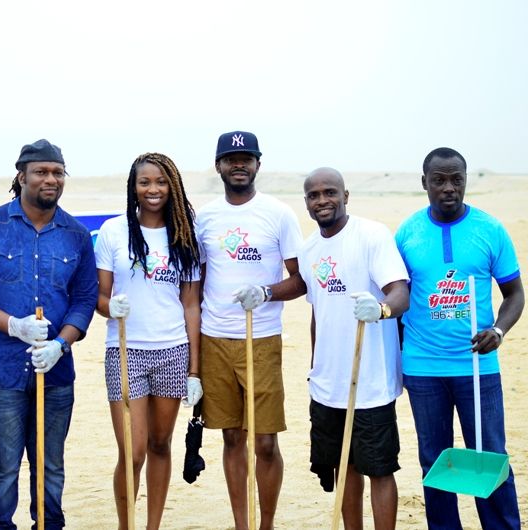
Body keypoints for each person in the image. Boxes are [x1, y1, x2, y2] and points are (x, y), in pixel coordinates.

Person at [0, 139, 97, 530]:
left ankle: (48, 524)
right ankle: (0, 525)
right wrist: (12, 325)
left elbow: (84, 300)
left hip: (56, 374)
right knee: (2, 465)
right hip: (2, 372)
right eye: (41, 172)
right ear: (21, 176)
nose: (50, 179)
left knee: (50, 464)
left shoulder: (76, 235)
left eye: (57, 172)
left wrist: (60, 343)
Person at [395, 147, 524, 529]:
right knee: (435, 459)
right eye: (439, 180)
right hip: (423, 369)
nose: (448, 188)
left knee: (489, 456)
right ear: (425, 184)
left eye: (456, 180)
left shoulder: (490, 229)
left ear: (465, 181)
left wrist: (498, 331)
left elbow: (515, 294)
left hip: (477, 366)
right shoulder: (407, 233)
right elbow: (397, 296)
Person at [196, 131, 302, 530]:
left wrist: (265, 291)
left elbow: (300, 279)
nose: (238, 164)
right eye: (230, 158)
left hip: (261, 340)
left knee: (266, 442)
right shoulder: (204, 216)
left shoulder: (278, 214)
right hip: (215, 338)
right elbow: (197, 280)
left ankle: (267, 523)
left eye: (246, 158)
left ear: (259, 163)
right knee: (230, 438)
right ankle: (243, 523)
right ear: (218, 165)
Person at [93, 152, 202, 530]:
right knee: (133, 449)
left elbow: (191, 304)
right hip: (125, 351)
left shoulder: (185, 234)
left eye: (160, 182)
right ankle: (127, 525)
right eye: (144, 182)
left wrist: (194, 370)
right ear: (133, 187)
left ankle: (152, 526)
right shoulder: (113, 231)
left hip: (173, 350)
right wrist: (112, 308)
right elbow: (99, 297)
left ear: (172, 186)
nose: (152, 189)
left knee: (160, 444)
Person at [295, 168, 409, 530]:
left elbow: (400, 292)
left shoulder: (372, 235)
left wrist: (381, 309)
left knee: (379, 467)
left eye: (330, 192)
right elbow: (319, 313)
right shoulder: (309, 248)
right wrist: (315, 367)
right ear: (307, 203)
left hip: (370, 380)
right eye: (314, 195)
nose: (322, 200)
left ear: (346, 195)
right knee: (344, 465)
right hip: (329, 382)